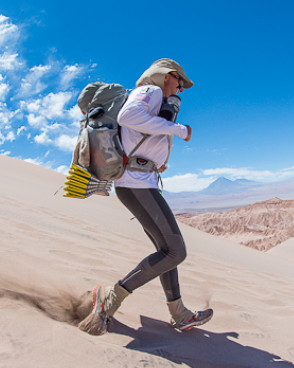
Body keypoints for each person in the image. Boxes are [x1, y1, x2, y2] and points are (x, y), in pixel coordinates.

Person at [78, 59, 214, 335]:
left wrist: (155, 159)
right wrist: (179, 130)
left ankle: (179, 313)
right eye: (179, 81)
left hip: (140, 181)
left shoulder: (154, 98)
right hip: (136, 184)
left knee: (167, 252)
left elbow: (137, 130)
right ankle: (110, 296)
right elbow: (129, 117)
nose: (181, 89)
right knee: (176, 251)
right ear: (166, 76)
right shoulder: (150, 91)